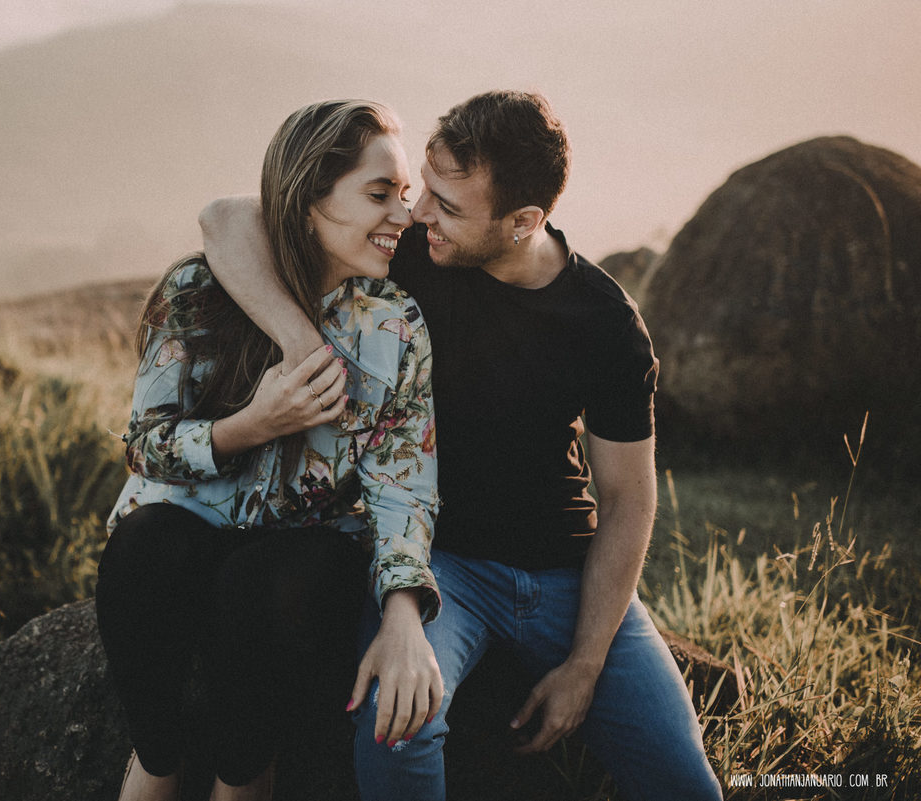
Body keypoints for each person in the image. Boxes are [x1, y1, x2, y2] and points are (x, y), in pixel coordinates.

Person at [199, 90, 724, 800]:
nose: (417, 214)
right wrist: (302, 346)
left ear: (524, 222)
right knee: (398, 723)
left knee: (685, 782)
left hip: (567, 572)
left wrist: (586, 663)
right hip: (440, 563)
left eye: (446, 205)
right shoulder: (414, 253)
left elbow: (628, 498)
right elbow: (227, 219)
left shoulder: (606, 323)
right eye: (426, 188)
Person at [94, 99, 446, 801]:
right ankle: (159, 761)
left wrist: (405, 605)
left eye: (403, 195)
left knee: (273, 584)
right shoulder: (197, 291)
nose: (402, 216)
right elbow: (144, 445)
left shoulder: (393, 324)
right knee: (142, 547)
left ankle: (244, 773)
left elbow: (403, 482)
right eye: (379, 194)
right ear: (310, 198)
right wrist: (249, 425)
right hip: (186, 528)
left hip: (297, 548)